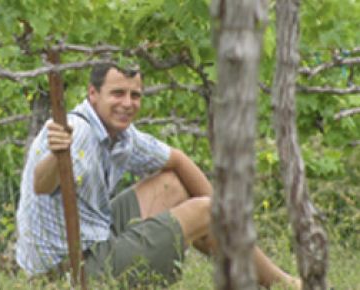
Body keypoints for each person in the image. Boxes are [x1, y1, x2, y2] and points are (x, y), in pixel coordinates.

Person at [16, 64, 301, 288]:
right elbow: (41, 185)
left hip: (93, 237)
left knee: (172, 185)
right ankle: (282, 285)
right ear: (93, 94)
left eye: (135, 95)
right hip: (67, 273)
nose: (127, 103)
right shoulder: (77, 132)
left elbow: (176, 159)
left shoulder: (121, 134)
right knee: (206, 211)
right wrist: (56, 154)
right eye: (117, 93)